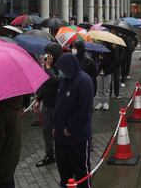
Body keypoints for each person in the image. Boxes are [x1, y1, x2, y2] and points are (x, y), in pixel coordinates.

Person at [54, 53, 94, 188]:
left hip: (78, 137)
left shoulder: (84, 81)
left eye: (61, 68)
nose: (59, 71)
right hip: (61, 138)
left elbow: (84, 109)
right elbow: (59, 104)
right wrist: (57, 126)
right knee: (64, 172)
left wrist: (70, 127)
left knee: (81, 171)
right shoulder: (64, 80)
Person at [33, 43, 62, 167]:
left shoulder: (60, 67)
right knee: (46, 131)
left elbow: (57, 81)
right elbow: (44, 84)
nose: (45, 56)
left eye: (48, 54)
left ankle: (61, 155)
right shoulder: (46, 66)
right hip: (47, 104)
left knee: (59, 132)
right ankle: (50, 155)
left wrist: (49, 68)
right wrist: (38, 99)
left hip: (58, 105)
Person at [95, 43, 115, 110]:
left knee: (106, 88)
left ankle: (106, 102)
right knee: (99, 88)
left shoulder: (110, 50)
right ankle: (99, 102)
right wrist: (99, 60)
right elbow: (95, 60)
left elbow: (112, 62)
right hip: (99, 72)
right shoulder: (97, 50)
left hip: (107, 72)